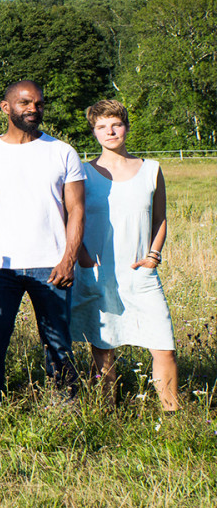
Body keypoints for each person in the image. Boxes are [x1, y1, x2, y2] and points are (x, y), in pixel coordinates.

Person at [0, 80, 84, 407]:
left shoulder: (62, 152)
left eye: (39, 103)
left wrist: (68, 259)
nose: (34, 109)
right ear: (6, 108)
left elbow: (76, 210)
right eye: (25, 103)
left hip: (51, 265)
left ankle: (63, 405)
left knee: (58, 343)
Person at [71, 100, 178, 410]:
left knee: (164, 347)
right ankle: (106, 413)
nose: (110, 131)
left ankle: (173, 417)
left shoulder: (151, 169)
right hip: (97, 273)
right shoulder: (83, 172)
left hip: (140, 273)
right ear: (93, 132)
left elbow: (160, 218)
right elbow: (71, 217)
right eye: (102, 126)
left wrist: (153, 256)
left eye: (115, 124)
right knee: (103, 347)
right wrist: (83, 256)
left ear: (126, 127)